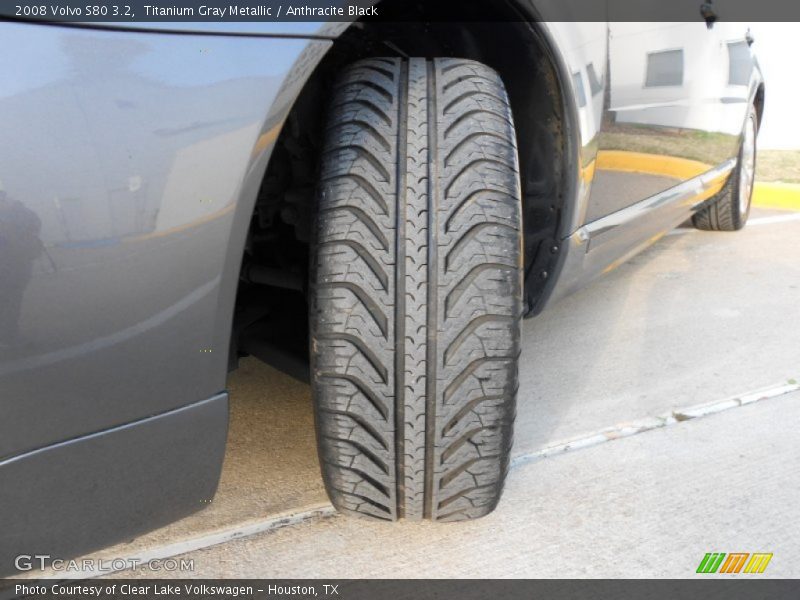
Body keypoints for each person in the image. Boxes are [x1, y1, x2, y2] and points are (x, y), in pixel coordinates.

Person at [0, 180, 43, 348]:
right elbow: (34, 223)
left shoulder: (16, 213)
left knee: (10, 300)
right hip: (12, 266)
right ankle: (8, 337)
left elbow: (35, 222)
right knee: (10, 301)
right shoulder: (15, 214)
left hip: (15, 265)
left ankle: (8, 335)